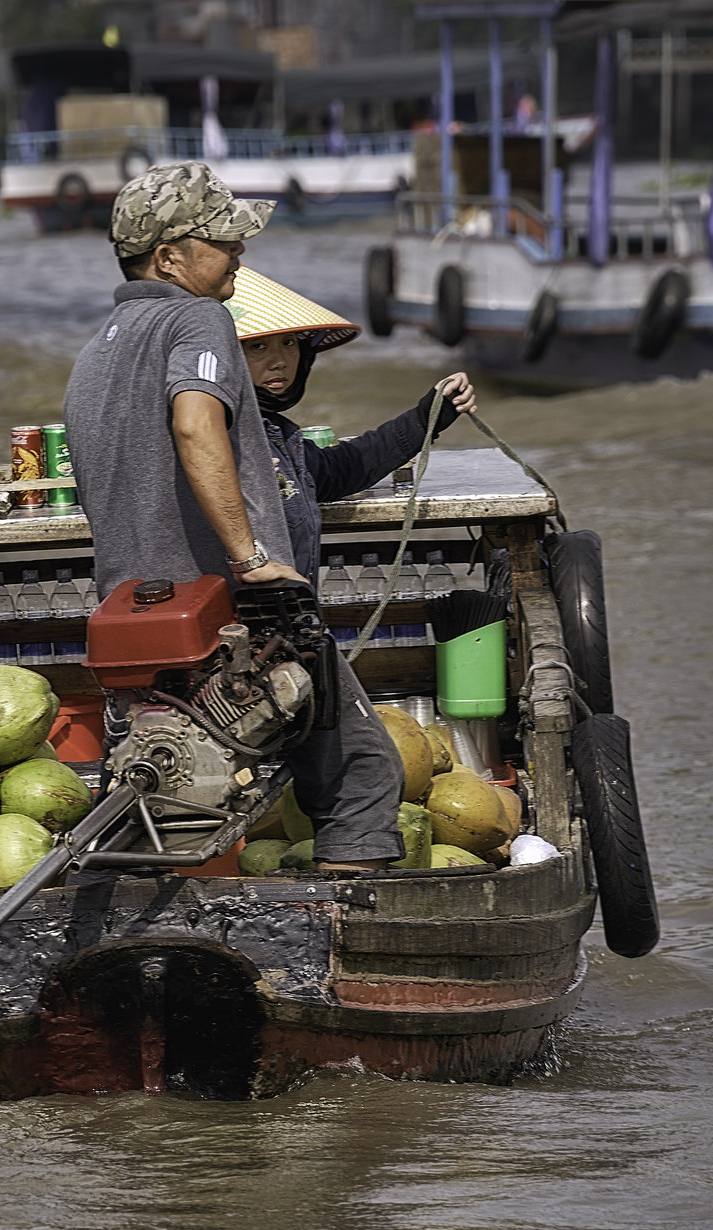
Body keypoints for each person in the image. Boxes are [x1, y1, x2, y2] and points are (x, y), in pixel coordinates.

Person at [62, 162, 416, 870]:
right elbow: (196, 425)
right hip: (222, 613)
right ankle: (358, 931)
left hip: (130, 619)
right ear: (169, 258)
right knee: (362, 778)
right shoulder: (197, 318)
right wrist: (254, 562)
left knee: (156, 791)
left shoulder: (94, 354)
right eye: (224, 241)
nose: (240, 254)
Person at [226, 265, 477, 583]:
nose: (280, 361)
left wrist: (429, 416)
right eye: (258, 347)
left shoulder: (276, 434)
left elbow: (343, 468)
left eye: (289, 343)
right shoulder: (219, 434)